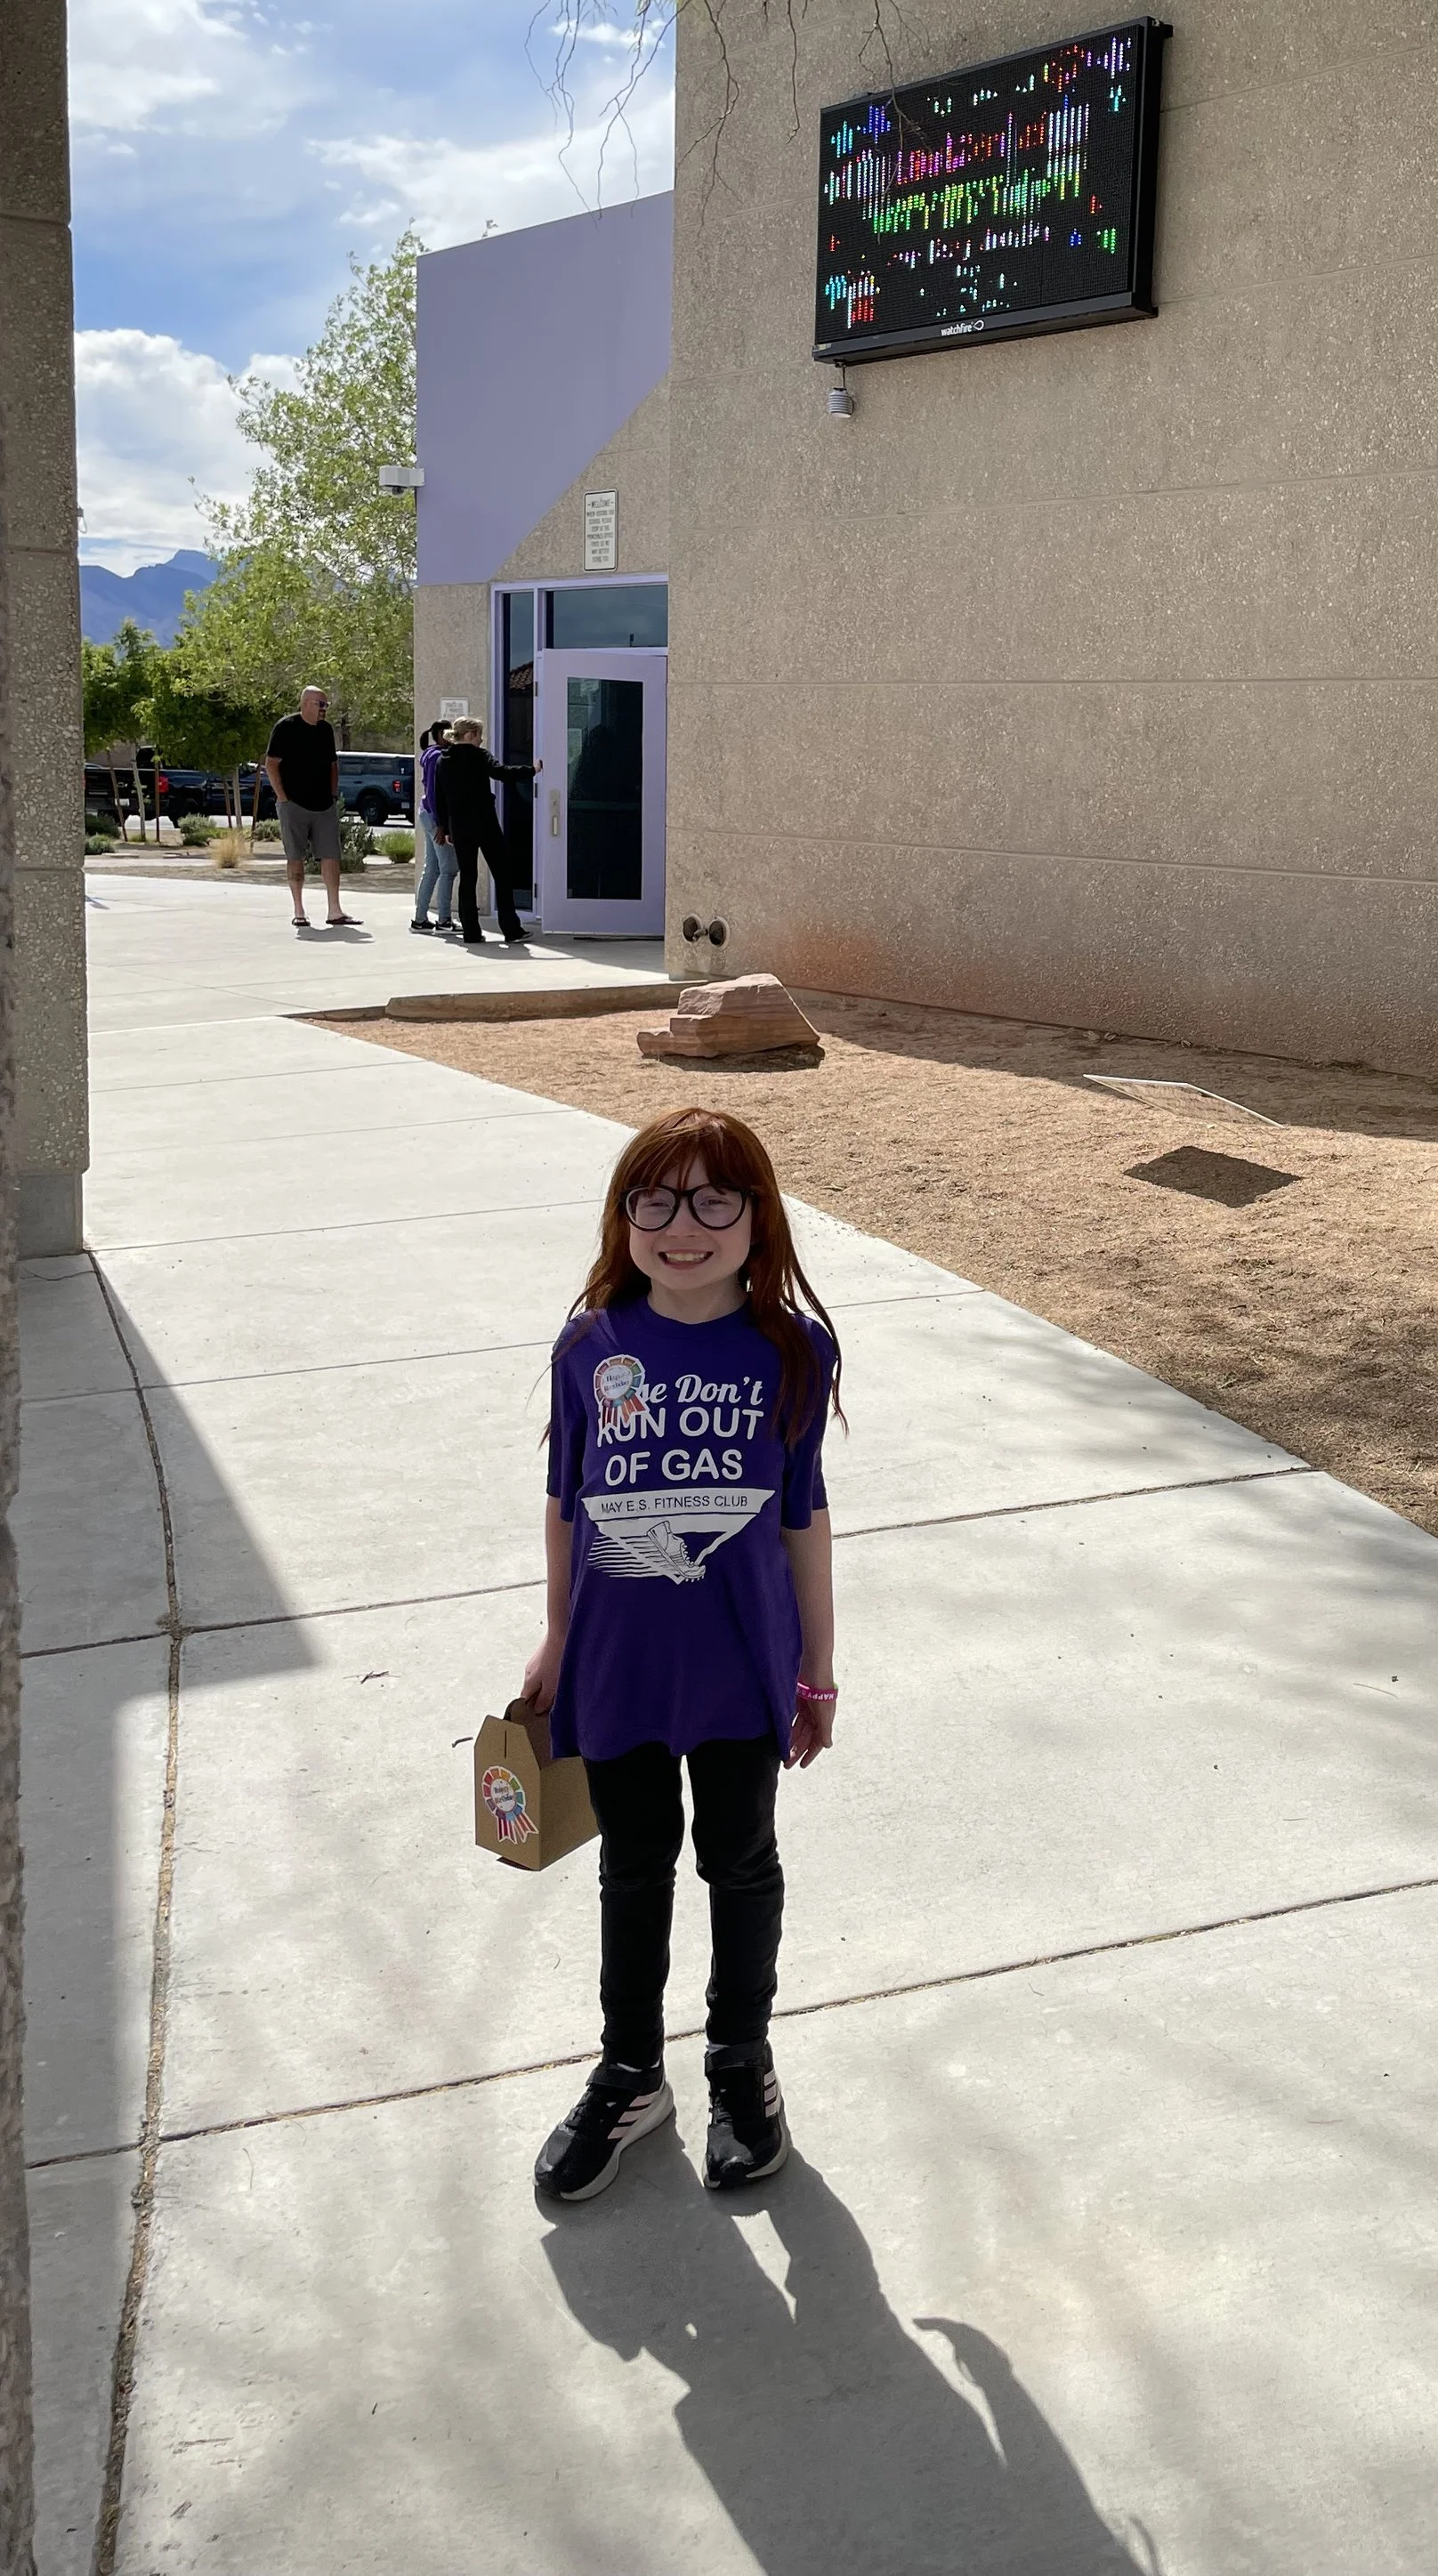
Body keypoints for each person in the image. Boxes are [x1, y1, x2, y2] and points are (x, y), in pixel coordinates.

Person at [521, 1106, 842, 2206]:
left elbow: (803, 1517)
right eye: (653, 1201)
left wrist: (819, 1669)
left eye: (714, 1198)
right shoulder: (590, 1347)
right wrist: (559, 1636)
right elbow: (568, 1505)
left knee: (739, 1861)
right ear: (625, 1220)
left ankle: (739, 2063)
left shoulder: (791, 1348)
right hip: (617, 1665)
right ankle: (630, 2069)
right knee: (632, 1863)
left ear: (759, 1217)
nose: (683, 1225)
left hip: (742, 1667)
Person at [432, 715, 536, 947]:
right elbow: (503, 773)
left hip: (459, 826)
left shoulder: (443, 760)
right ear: (470, 735)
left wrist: (445, 827)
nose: (481, 740)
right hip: (484, 822)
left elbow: (440, 797)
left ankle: (471, 932)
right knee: (502, 873)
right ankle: (511, 929)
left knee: (468, 877)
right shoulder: (480, 756)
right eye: (479, 735)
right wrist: (532, 770)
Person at [263, 683, 357, 931]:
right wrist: (282, 797)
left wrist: (333, 794)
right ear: (306, 704)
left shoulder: (325, 731)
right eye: (321, 704)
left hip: (324, 805)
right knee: (295, 856)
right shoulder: (286, 728)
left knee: (331, 856)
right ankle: (299, 911)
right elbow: (271, 763)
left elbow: (332, 764)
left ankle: (335, 910)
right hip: (293, 804)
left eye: (326, 705)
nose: (325, 710)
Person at [409, 723, 458, 936]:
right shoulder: (436, 758)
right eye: (450, 734)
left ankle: (420, 919)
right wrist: (441, 824)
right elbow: (434, 793)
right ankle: (444, 920)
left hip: (427, 814)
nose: (453, 738)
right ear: (440, 735)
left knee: (432, 869)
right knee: (448, 869)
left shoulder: (431, 755)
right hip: (433, 817)